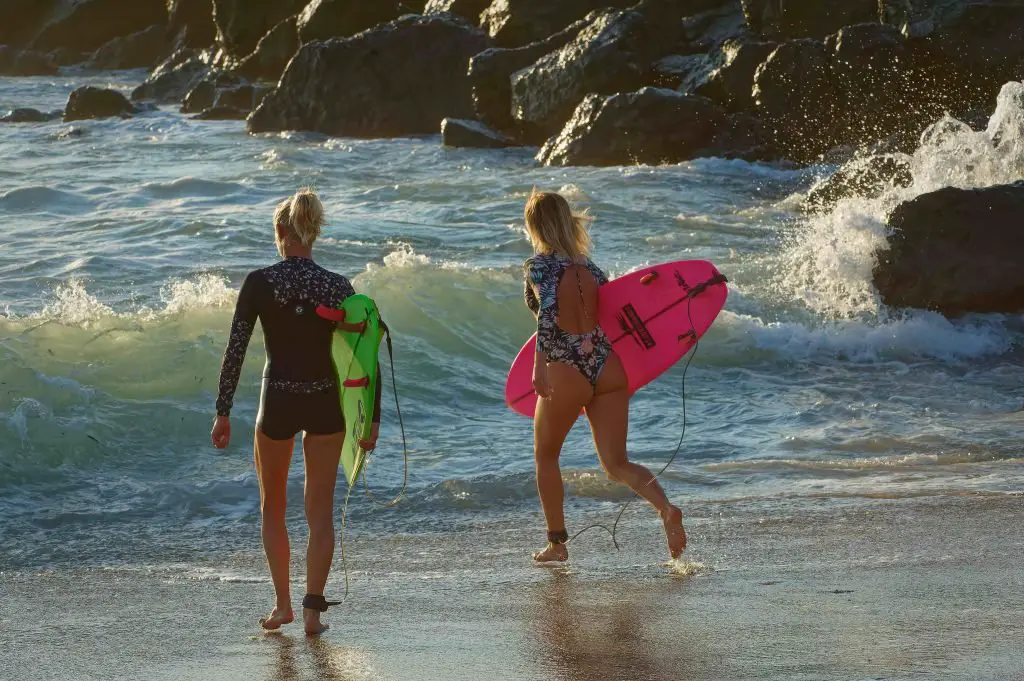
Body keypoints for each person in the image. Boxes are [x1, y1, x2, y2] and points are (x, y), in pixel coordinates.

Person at [210, 189, 382, 635]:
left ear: (281, 232)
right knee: (319, 510)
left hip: (279, 401)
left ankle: (283, 604)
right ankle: (311, 613)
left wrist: (222, 410)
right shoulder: (338, 285)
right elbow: (366, 357)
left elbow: (235, 350)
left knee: (273, 507)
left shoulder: (260, 282)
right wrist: (371, 420)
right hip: (324, 401)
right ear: (314, 232)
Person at [521, 190, 686, 563]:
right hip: (607, 366)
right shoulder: (590, 268)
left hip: (565, 368)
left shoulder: (538, 267)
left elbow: (546, 314)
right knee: (616, 462)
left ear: (535, 225)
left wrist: (539, 365)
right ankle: (665, 508)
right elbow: (618, 310)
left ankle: (557, 544)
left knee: (545, 457)